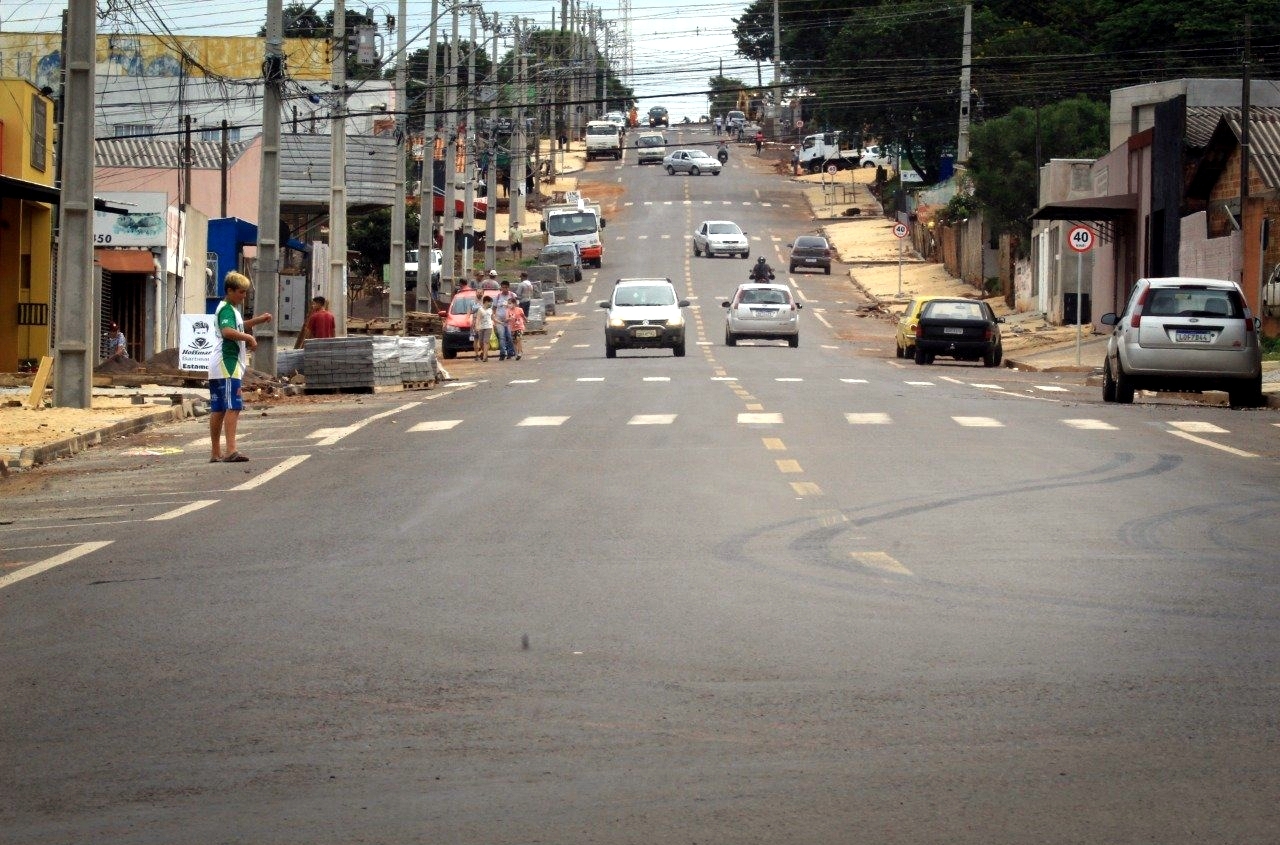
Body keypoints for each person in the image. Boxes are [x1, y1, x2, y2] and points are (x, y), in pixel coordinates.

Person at [208, 271, 272, 463]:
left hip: (218, 364)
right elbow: (228, 331)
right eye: (241, 292)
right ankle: (230, 450)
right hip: (228, 362)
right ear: (230, 290)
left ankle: (216, 452)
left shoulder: (227, 309)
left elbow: (238, 326)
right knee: (233, 406)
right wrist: (249, 338)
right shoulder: (227, 309)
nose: (244, 296)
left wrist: (257, 321)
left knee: (218, 408)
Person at [494, 282, 516, 361]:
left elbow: (516, 307)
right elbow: (494, 307)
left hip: (510, 319)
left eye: (506, 287)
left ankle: (510, 352)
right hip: (500, 319)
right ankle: (502, 353)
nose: (505, 289)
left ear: (508, 288)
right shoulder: (498, 296)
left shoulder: (512, 296)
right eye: (503, 287)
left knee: (509, 336)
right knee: (501, 336)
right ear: (501, 288)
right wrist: (494, 318)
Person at [472, 295, 494, 361]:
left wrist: (500, 322)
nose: (491, 304)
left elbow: (493, 318)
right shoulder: (480, 310)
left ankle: (485, 356)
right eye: (490, 302)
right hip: (481, 327)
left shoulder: (490, 310)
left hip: (489, 327)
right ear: (486, 302)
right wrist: (477, 326)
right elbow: (478, 319)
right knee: (481, 342)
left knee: (486, 341)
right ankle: (484, 352)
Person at [508, 295, 526, 361]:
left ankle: (519, 352)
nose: (509, 305)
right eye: (508, 303)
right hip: (512, 328)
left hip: (520, 326)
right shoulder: (508, 311)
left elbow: (523, 316)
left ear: (514, 303)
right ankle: (516, 353)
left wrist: (526, 320)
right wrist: (510, 318)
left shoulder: (519, 309)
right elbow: (506, 319)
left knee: (519, 338)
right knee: (514, 341)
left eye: (510, 303)